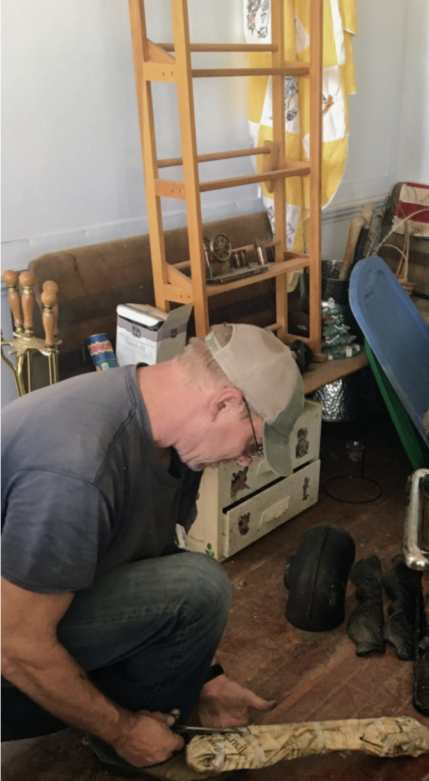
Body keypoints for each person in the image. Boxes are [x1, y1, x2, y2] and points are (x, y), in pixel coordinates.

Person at [1, 323, 305, 776]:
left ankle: (144, 732)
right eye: (254, 444)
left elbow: (153, 560)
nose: (245, 459)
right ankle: (133, 744)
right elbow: (14, 642)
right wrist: (122, 730)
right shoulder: (78, 469)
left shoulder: (169, 436)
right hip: (10, 643)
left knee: (187, 579)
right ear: (224, 403)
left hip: (25, 614)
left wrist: (206, 678)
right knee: (200, 586)